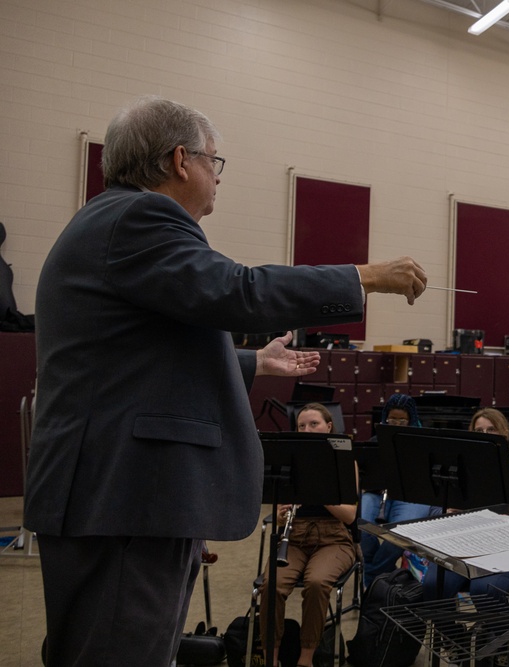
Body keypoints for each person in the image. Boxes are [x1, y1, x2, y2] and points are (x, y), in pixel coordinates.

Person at [22, 96, 427, 666]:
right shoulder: (141, 218)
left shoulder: (108, 221)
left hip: (112, 492)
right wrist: (363, 275)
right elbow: (237, 290)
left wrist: (255, 363)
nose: (218, 177)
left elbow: (137, 358)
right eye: (216, 161)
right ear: (181, 160)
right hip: (124, 496)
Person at [259, 404, 358, 667]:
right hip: (295, 536)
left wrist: (319, 493)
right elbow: (278, 514)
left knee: (316, 583)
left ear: (329, 427)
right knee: (272, 585)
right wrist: (281, 515)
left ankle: (306, 658)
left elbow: (349, 516)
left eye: (314, 424)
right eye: (302, 426)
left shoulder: (346, 462)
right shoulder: (291, 462)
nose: (307, 429)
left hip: (334, 539)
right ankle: (272, 657)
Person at [421, 409, 509, 600]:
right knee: (433, 585)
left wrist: (491, 502)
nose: (485, 436)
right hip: (460, 546)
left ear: (504, 434)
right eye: (479, 431)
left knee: (485, 589)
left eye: (492, 430)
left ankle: (493, 631)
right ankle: (448, 630)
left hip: (504, 548)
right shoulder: (458, 466)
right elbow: (435, 507)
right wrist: (445, 510)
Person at [360, 394, 433, 587]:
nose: (397, 424)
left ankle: (373, 578)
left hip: (412, 496)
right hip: (377, 493)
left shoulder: (422, 441)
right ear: (385, 418)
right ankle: (380, 579)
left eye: (402, 420)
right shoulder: (375, 441)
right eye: (393, 419)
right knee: (362, 526)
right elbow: (365, 474)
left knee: (402, 534)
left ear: (411, 420)